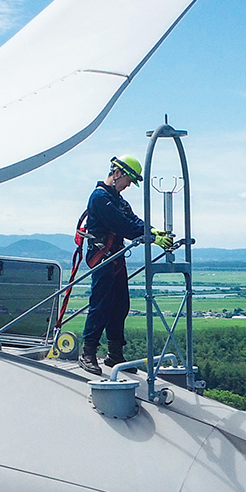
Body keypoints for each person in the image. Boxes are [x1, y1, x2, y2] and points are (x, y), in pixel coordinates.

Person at [78, 156, 173, 374]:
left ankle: (115, 354)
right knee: (100, 304)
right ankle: (88, 352)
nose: (129, 185)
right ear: (118, 172)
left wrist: (152, 230)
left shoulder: (117, 199)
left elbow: (133, 220)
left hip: (115, 256)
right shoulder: (100, 197)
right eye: (128, 180)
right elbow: (122, 225)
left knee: (120, 305)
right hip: (102, 256)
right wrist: (150, 236)